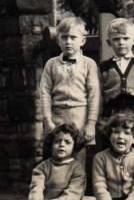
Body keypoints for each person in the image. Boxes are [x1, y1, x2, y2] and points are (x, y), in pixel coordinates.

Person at [39, 16, 101, 145]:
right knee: (57, 156)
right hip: (57, 118)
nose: (68, 42)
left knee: (78, 159)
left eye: (73, 37)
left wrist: (90, 123)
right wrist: (47, 121)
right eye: (64, 37)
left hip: (81, 118)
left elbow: (94, 95)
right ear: (58, 41)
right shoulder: (51, 64)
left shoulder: (89, 64)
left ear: (83, 40)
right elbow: (44, 94)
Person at [98, 17, 134, 121]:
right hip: (111, 115)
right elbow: (99, 95)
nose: (121, 42)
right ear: (109, 42)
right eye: (116, 39)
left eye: (126, 38)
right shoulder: (104, 67)